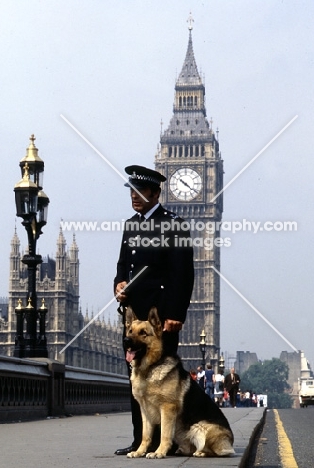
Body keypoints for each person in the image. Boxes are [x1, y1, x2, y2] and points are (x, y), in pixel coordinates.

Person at [113, 165, 194, 456]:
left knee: (162, 383)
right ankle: (140, 441)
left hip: (160, 320)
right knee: (137, 378)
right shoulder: (130, 224)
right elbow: (123, 264)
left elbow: (183, 274)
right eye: (132, 191)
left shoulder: (175, 224)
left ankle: (166, 442)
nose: (134, 197)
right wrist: (118, 283)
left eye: (141, 192)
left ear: (156, 193)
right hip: (134, 317)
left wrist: (176, 314)